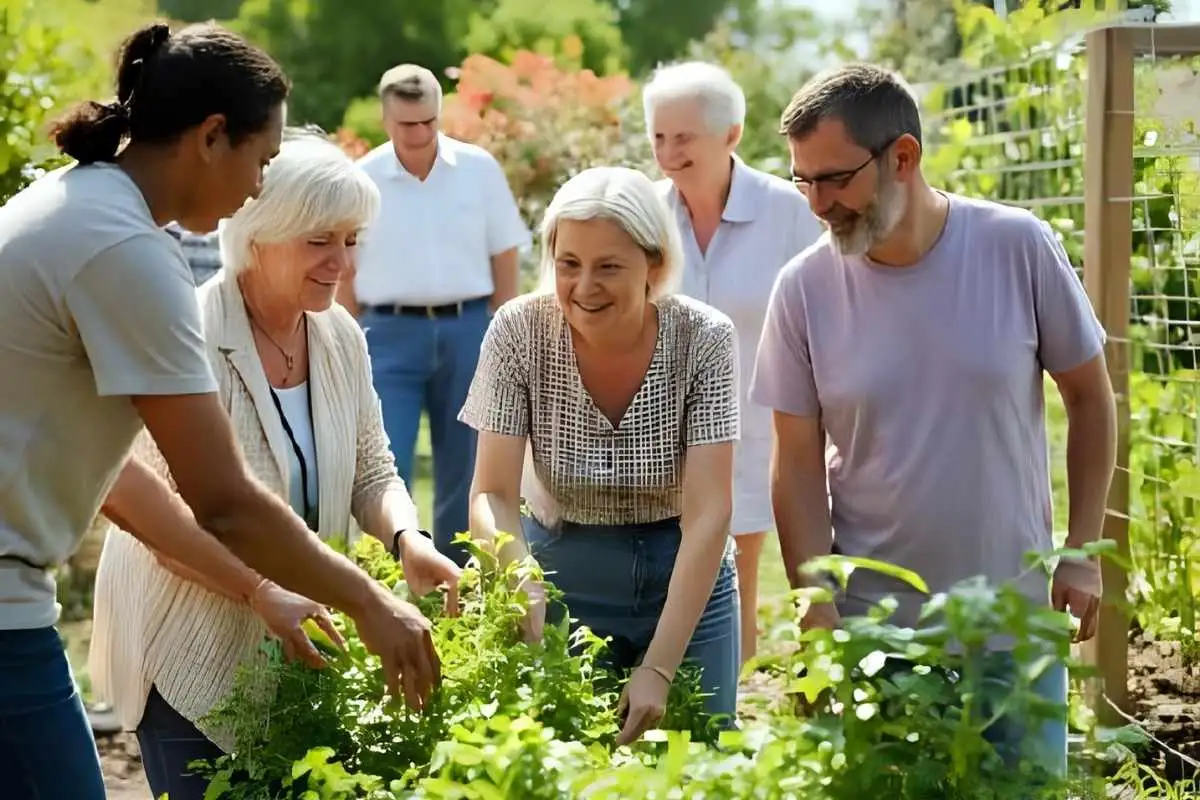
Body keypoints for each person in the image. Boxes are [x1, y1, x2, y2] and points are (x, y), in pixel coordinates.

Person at [0, 23, 441, 799]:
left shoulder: (81, 207)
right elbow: (225, 502)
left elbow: (121, 482)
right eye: (260, 161)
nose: (255, 190)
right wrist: (372, 604)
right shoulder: (124, 250)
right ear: (211, 137)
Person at [750, 64, 1117, 775]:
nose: (819, 204)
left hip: (1010, 623)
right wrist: (816, 602)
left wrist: (1082, 549)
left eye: (835, 179)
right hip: (876, 634)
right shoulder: (802, 289)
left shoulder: (1017, 246)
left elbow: (1091, 399)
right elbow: (794, 461)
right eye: (803, 181)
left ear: (904, 157)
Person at [88, 133, 464, 799]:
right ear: (263, 231)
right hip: (187, 654)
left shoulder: (338, 334)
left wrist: (409, 538)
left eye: (352, 240)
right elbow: (166, 517)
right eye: (321, 240)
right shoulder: (190, 333)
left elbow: (372, 467)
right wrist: (260, 587)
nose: (342, 262)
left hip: (293, 657)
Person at [459, 166, 742, 746]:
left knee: (706, 759)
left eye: (609, 266)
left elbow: (711, 512)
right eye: (569, 264)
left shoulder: (704, 338)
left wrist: (660, 666)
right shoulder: (518, 331)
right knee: (559, 759)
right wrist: (518, 577)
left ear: (654, 265)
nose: (585, 286)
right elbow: (491, 492)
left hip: (684, 578)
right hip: (561, 573)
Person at [643, 61, 823, 666]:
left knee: (744, 558)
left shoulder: (789, 211)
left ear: (731, 135)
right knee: (683, 558)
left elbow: (821, 306)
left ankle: (743, 691)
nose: (668, 152)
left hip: (763, 411)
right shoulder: (645, 215)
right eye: (659, 136)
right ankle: (693, 684)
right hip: (667, 419)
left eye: (683, 138)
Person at [350, 63, 531, 566]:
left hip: (469, 328)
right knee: (386, 459)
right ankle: (389, 575)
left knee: (469, 465)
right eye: (408, 124)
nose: (420, 134)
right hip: (387, 333)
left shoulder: (478, 169)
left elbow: (505, 253)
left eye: (429, 121)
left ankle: (459, 579)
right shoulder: (361, 179)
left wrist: (504, 328)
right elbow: (344, 264)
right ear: (386, 120)